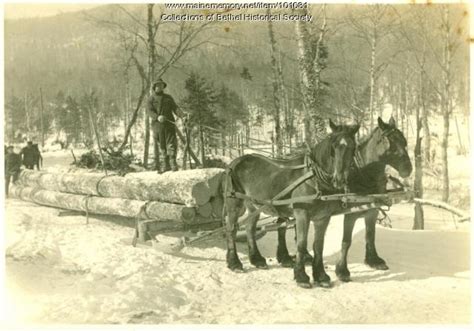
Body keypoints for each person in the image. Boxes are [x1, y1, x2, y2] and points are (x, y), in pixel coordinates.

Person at [146, 78, 185, 173]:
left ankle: (173, 164)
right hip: (158, 127)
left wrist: (182, 116)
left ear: (163, 86)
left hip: (169, 125)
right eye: (157, 85)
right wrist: (157, 117)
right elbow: (149, 111)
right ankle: (166, 165)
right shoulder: (151, 99)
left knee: (171, 144)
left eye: (161, 85)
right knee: (162, 146)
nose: (159, 87)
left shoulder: (168, 98)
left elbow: (175, 108)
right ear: (154, 87)